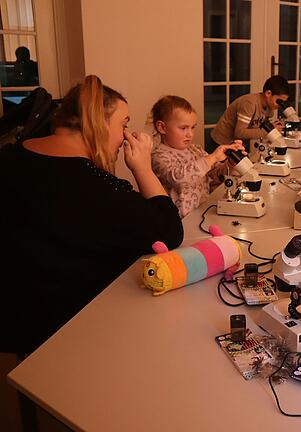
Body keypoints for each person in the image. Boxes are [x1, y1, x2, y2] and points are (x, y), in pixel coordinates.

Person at [0, 75, 183, 353]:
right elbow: (168, 231)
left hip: (14, 317)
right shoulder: (92, 186)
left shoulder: (14, 155)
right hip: (68, 333)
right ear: (97, 122)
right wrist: (143, 169)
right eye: (124, 125)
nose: (126, 137)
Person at [150, 95, 245, 218]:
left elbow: (216, 175)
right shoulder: (159, 156)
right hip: (180, 220)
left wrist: (230, 163)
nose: (190, 134)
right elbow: (178, 178)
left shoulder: (196, 150)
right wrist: (213, 157)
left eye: (192, 127)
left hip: (202, 213)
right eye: (183, 128)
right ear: (162, 127)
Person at [210, 75, 289, 151]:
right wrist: (269, 131)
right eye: (279, 101)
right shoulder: (249, 103)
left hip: (237, 144)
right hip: (222, 142)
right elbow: (239, 133)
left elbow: (260, 126)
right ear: (268, 93)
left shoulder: (269, 107)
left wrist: (273, 127)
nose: (280, 105)